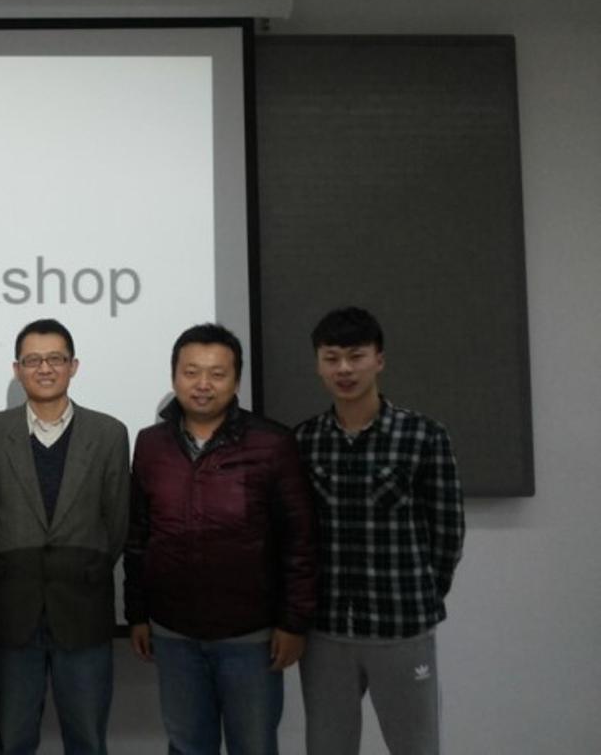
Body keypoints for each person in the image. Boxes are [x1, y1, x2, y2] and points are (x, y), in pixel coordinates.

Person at [123, 323, 316, 755]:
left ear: (237, 380)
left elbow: (299, 540)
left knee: (254, 746)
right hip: (173, 632)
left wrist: (293, 622)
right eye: (191, 372)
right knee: (187, 745)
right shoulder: (151, 444)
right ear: (174, 376)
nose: (203, 384)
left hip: (249, 636)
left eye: (217, 373)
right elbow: (138, 535)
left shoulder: (272, 443)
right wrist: (136, 614)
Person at [294, 307, 465, 755]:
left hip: (400, 627)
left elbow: (447, 533)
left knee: (416, 746)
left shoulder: (423, 436)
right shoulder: (304, 441)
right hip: (327, 629)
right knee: (327, 747)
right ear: (318, 365)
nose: (344, 369)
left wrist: (418, 594)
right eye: (332, 358)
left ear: (379, 360)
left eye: (356, 356)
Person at [0, 318, 131, 755]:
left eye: (55, 359)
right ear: (17, 369)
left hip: (82, 608)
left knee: (87, 740)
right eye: (33, 360)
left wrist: (78, 564)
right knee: (14, 739)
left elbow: (117, 521)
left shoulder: (109, 433)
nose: (44, 368)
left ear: (73, 365)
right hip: (13, 609)